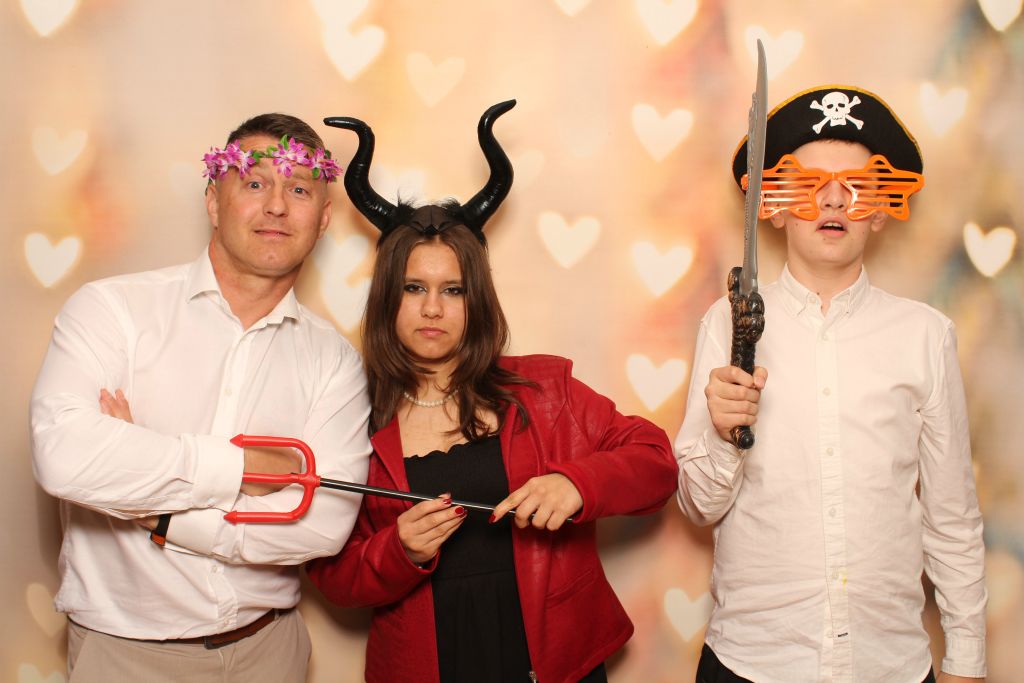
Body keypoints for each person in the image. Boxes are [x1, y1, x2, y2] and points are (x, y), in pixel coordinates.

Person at [306, 100, 679, 683]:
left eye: (453, 290)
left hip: (555, 664)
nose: (433, 309)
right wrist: (399, 550)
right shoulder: (350, 413)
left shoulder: (544, 390)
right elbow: (333, 576)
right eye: (413, 288)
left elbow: (657, 463)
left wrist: (576, 484)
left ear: (476, 300)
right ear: (386, 298)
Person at [30, 113, 373, 682]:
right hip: (124, 658)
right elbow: (64, 457)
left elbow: (323, 525)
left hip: (270, 652)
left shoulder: (334, 361)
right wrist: (244, 467)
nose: (277, 206)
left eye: (298, 190)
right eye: (255, 183)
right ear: (214, 201)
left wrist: (156, 509)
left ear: (323, 218)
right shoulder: (112, 311)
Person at [675, 85, 987, 683]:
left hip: (889, 663)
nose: (834, 201)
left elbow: (952, 516)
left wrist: (967, 659)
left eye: (858, 187)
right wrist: (723, 433)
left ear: (880, 209)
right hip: (752, 660)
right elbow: (697, 505)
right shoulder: (727, 324)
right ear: (774, 206)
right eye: (807, 185)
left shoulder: (926, 335)